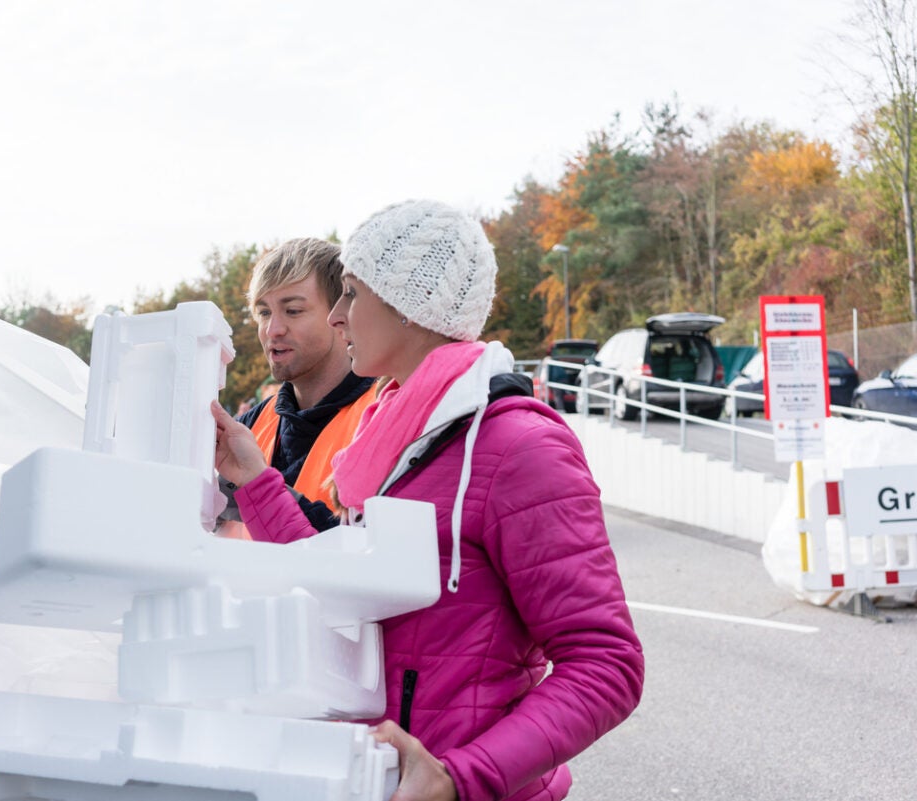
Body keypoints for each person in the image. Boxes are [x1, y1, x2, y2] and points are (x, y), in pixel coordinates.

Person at [211, 200, 644, 800]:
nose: (338, 317)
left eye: (352, 295)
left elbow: (607, 666)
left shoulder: (520, 447)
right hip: (375, 780)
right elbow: (340, 584)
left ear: (408, 308)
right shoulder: (393, 436)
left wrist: (459, 777)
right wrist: (255, 479)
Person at [227, 237, 375, 531]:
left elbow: (369, 558)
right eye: (264, 312)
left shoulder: (382, 419)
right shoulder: (247, 427)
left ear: (341, 316)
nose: (273, 330)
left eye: (292, 311)